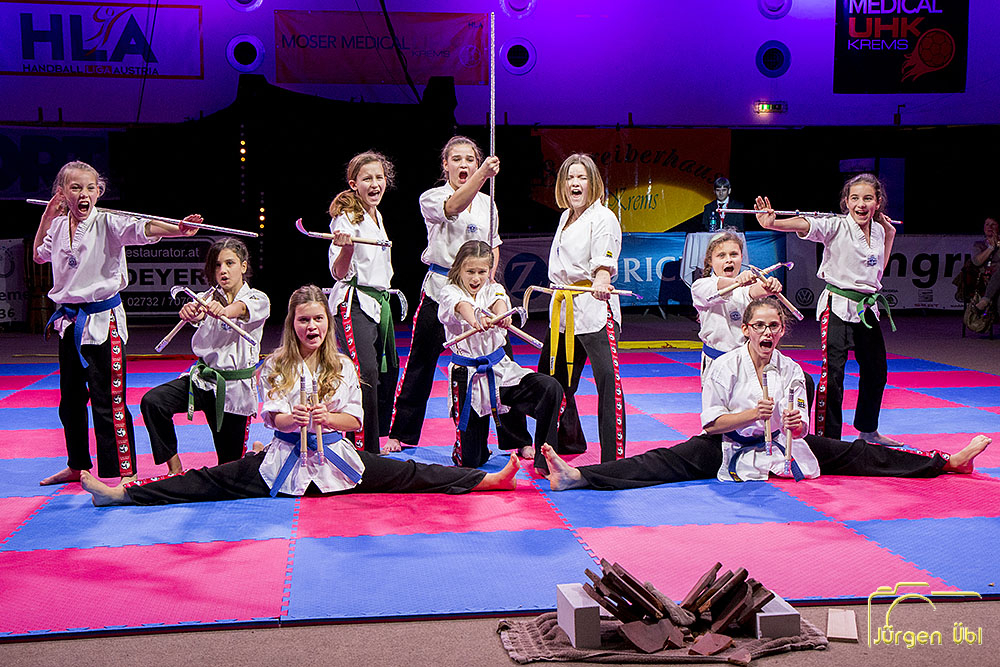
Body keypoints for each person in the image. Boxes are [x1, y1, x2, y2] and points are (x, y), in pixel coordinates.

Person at [79, 286, 520, 506]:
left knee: (411, 473)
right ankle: (120, 495)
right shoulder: (275, 364)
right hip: (282, 463)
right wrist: (294, 419)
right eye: (304, 320)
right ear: (292, 324)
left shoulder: (342, 364)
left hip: (339, 463)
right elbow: (273, 418)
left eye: (319, 319)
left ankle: (487, 481)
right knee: (208, 480)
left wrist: (326, 419)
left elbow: (355, 421)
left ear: (328, 323)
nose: (312, 327)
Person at [540, 297, 991, 491]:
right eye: (758, 325)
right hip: (727, 443)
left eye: (774, 326)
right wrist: (750, 415)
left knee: (858, 454)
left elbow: (801, 425)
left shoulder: (790, 368)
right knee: (660, 462)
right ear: (746, 330)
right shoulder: (724, 366)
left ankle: (944, 462)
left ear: (781, 330)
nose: (767, 332)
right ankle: (579, 477)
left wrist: (798, 423)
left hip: (782, 447)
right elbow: (711, 424)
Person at [33, 160, 201, 486]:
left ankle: (126, 472)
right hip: (69, 323)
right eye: (75, 188)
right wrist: (47, 216)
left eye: (90, 188)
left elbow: (144, 228)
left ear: (99, 191)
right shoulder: (58, 226)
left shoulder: (108, 222)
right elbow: (40, 254)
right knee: (70, 403)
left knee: (108, 401)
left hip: (103, 324)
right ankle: (77, 464)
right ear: (62, 193)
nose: (84, 194)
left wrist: (177, 229)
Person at [385, 136, 529, 455]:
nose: (464, 164)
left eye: (470, 160)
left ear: (476, 163)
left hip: (480, 293)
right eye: (457, 159)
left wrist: (488, 289)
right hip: (440, 291)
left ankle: (517, 439)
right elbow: (454, 207)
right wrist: (483, 175)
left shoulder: (488, 203)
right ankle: (402, 433)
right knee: (420, 364)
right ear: (445, 165)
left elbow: (493, 247)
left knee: (502, 362)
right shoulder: (432, 197)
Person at [755, 174, 901, 445]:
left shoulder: (881, 230)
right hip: (837, 307)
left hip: (867, 309)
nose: (861, 204)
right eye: (854, 198)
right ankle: (828, 440)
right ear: (846, 201)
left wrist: (890, 234)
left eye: (868, 198)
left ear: (878, 202)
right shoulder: (836, 225)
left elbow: (878, 269)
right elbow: (805, 223)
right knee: (832, 376)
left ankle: (868, 429)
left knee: (877, 371)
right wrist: (773, 223)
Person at [140, 238, 269, 475]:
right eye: (217, 265)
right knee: (153, 402)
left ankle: (257, 453)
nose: (223, 270)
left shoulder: (258, 299)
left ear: (243, 266)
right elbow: (200, 315)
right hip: (202, 381)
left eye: (229, 263)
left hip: (233, 391)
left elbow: (240, 308)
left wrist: (224, 310)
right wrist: (192, 312)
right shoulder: (206, 298)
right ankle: (175, 469)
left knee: (228, 469)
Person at [439, 241, 563, 471]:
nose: (476, 278)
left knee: (550, 388)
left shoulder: (493, 288)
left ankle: (544, 460)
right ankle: (473, 448)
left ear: (490, 270)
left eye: (482, 272)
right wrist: (475, 320)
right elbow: (462, 306)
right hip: (468, 376)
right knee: (471, 462)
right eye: (470, 271)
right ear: (458, 269)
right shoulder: (449, 292)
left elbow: (499, 301)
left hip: (500, 370)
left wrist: (502, 316)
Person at [538, 153, 625, 464]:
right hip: (563, 309)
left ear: (593, 183)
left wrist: (601, 278)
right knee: (551, 382)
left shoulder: (603, 217)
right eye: (570, 178)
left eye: (582, 177)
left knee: (607, 384)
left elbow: (604, 260)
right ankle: (564, 444)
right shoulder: (565, 217)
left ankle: (613, 461)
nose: (575, 183)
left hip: (595, 308)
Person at [327, 151, 398, 454]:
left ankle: (374, 440)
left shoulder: (376, 216)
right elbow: (338, 272)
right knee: (365, 373)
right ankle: (363, 450)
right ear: (353, 184)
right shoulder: (345, 219)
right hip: (353, 303)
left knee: (387, 371)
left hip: (378, 304)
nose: (375, 184)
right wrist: (346, 248)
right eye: (367, 178)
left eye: (379, 177)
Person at [690, 230, 783, 376]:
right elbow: (721, 285)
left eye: (734, 254)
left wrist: (770, 285)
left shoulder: (747, 286)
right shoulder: (700, 286)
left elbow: (755, 290)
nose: (729, 260)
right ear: (710, 260)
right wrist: (737, 281)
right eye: (721, 255)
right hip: (715, 361)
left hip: (747, 362)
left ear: (741, 257)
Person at [971, 217, 1000, 314]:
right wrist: (991, 248)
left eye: (993, 224)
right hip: (985, 280)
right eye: (987, 224)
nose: (990, 227)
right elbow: (977, 262)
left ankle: (984, 301)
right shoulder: (979, 245)